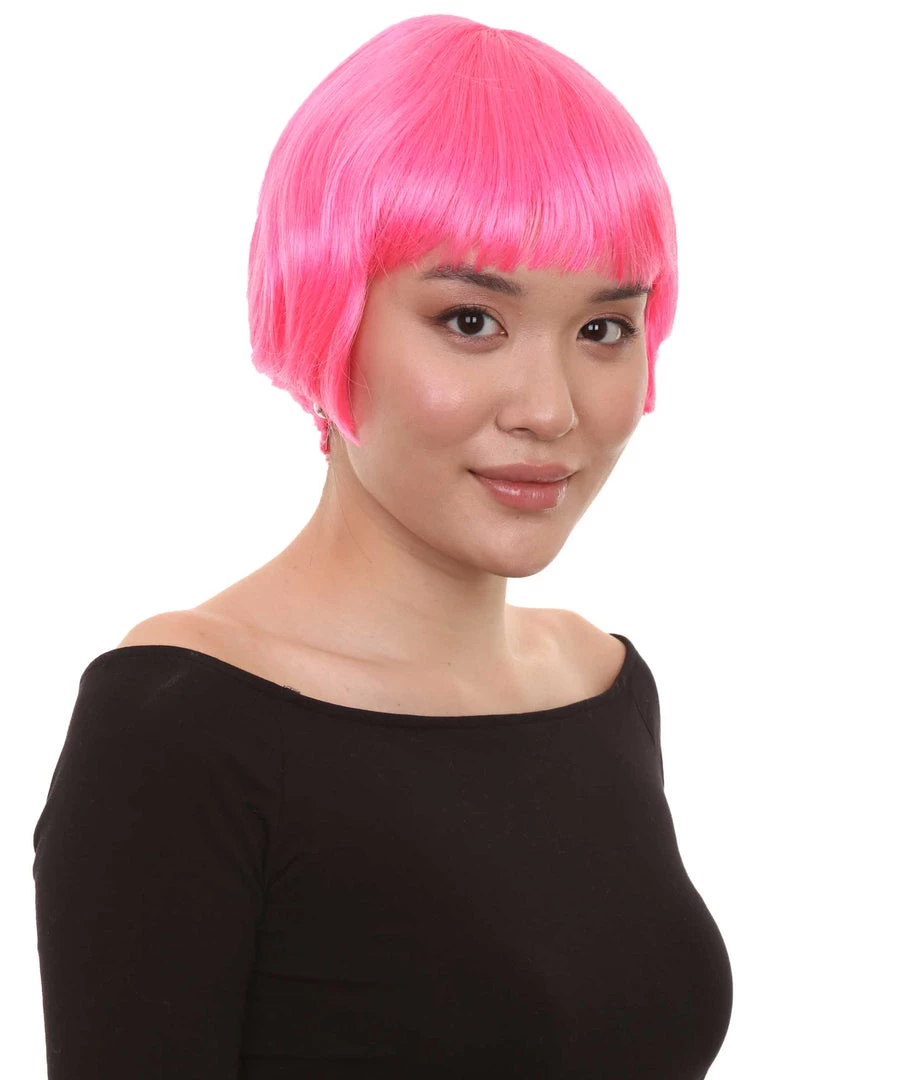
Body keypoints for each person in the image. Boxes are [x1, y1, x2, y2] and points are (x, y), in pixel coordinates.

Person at [32, 14, 733, 1078]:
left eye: (602, 329)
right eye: (470, 321)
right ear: (327, 317)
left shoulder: (602, 684)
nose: (550, 410)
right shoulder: (180, 731)